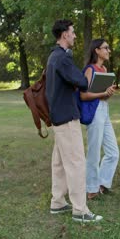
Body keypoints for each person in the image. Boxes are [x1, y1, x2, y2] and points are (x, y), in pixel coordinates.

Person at [45, 19, 102, 222]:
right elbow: (81, 81)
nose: (75, 35)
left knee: (59, 162)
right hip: (67, 117)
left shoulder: (54, 57)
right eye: (72, 32)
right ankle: (80, 210)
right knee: (77, 162)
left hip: (58, 116)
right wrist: (87, 78)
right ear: (64, 35)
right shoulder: (62, 58)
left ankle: (58, 202)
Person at [80, 39, 119, 200]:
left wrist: (108, 93)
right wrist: (102, 94)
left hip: (104, 110)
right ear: (96, 50)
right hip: (94, 111)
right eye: (106, 48)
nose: (109, 50)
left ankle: (102, 183)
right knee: (94, 152)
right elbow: (83, 95)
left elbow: (103, 94)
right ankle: (91, 189)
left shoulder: (104, 69)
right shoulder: (90, 69)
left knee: (113, 152)